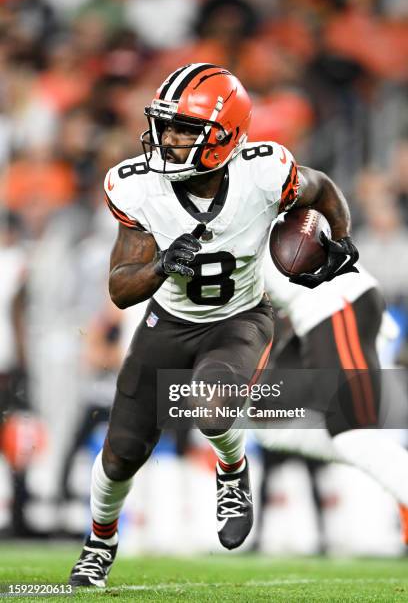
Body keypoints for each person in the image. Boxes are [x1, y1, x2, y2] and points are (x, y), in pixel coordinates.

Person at [69, 63, 358, 587]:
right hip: (168, 322)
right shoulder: (138, 189)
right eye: (166, 124)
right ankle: (99, 543)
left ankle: (231, 471)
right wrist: (160, 265)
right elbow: (119, 286)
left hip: (240, 318)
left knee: (211, 403)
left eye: (184, 129)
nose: (168, 139)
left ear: (223, 138)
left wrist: (339, 242)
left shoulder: (265, 171)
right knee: (121, 453)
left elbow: (323, 191)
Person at [256, 256, 408, 545]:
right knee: (268, 426)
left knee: (355, 437)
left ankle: (400, 476)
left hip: (334, 306)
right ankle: (397, 468)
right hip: (308, 318)